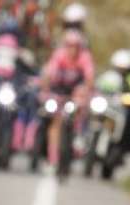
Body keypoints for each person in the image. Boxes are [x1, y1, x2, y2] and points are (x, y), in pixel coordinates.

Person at [40, 28, 95, 167]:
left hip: (76, 94)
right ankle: (53, 155)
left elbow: (90, 77)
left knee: (80, 113)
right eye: (69, 46)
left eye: (76, 46)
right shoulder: (59, 55)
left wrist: (87, 91)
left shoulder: (85, 57)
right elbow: (49, 73)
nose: (73, 50)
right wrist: (45, 90)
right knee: (55, 121)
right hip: (59, 92)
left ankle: (78, 141)